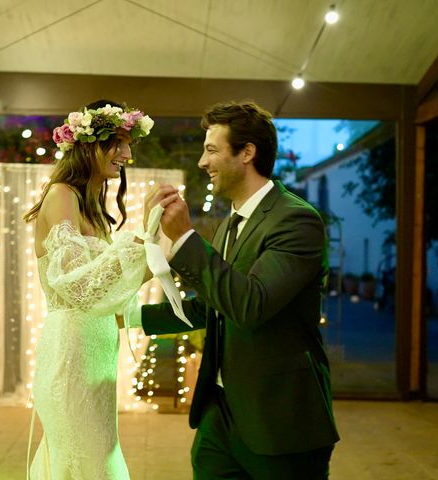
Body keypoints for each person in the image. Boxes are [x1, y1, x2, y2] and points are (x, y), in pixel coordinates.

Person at [142, 100, 340, 479]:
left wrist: (184, 237)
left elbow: (250, 305)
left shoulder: (296, 220)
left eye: (212, 150)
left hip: (280, 422)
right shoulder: (230, 224)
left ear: (247, 152)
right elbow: (214, 306)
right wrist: (127, 316)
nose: (202, 162)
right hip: (220, 414)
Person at [23, 99, 155, 479]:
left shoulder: (93, 204)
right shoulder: (61, 195)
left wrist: (150, 261)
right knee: (86, 459)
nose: (127, 154)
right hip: (72, 354)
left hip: (97, 353)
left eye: (129, 144)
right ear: (89, 144)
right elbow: (80, 287)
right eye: (119, 143)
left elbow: (108, 288)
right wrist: (139, 247)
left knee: (97, 454)